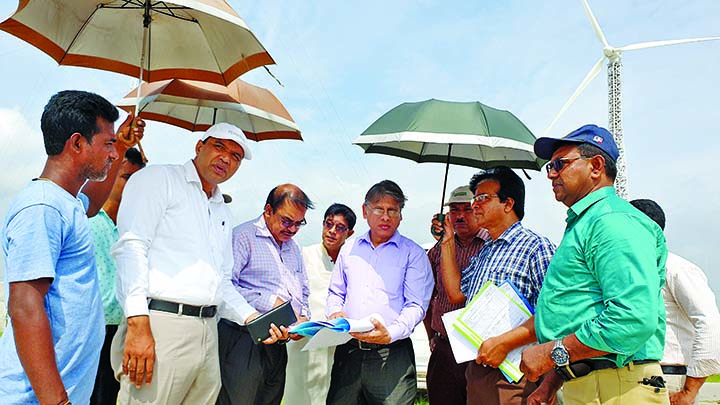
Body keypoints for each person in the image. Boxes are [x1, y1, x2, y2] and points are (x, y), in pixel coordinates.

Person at [0, 90, 139, 404]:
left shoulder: (69, 202)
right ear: (77, 143)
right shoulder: (42, 207)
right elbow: (24, 306)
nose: (114, 154)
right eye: (107, 144)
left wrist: (125, 142)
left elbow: (93, 204)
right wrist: (57, 401)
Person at [520, 124, 669, 405]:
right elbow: (584, 313)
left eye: (559, 164)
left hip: (618, 387)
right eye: (550, 167)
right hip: (597, 382)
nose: (551, 173)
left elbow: (632, 318)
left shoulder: (611, 222)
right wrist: (553, 381)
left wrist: (551, 353)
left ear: (596, 166)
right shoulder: (588, 222)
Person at [111, 122, 258, 404]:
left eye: (236, 156)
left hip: (207, 329)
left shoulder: (221, 208)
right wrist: (138, 324)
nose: (226, 158)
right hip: (161, 324)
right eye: (219, 147)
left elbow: (221, 279)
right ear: (199, 146)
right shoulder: (158, 179)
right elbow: (131, 247)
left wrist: (253, 318)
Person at [438, 167, 555, 405]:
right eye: (475, 199)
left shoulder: (536, 247)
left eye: (483, 198)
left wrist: (505, 343)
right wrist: (448, 241)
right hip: (480, 367)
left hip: (517, 372)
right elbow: (456, 292)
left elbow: (553, 314)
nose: (474, 205)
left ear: (508, 203)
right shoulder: (486, 251)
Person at [326, 180, 434, 405]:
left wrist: (391, 333)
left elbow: (416, 305)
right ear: (365, 211)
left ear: (400, 216)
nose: (386, 217)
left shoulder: (413, 254)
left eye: (392, 210)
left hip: (391, 355)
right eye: (379, 209)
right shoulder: (350, 248)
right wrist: (335, 312)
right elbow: (336, 291)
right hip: (349, 351)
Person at [217, 184, 314, 405]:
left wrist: (303, 319)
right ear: (268, 210)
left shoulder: (294, 247)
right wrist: (271, 302)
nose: (292, 229)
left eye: (299, 223)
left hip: (279, 344)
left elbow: (303, 289)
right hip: (243, 340)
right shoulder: (243, 236)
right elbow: (224, 286)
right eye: (287, 221)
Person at [630, 198, 720, 405]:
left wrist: (689, 391)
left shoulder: (676, 269)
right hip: (632, 379)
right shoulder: (633, 273)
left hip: (668, 378)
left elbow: (709, 323)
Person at [284, 203, 357, 405]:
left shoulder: (352, 263)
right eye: (328, 224)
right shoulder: (303, 255)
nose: (332, 231)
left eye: (340, 227)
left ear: (349, 233)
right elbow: (288, 293)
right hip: (304, 341)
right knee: (299, 397)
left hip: (338, 344)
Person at [89, 147, 146, 405]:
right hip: (92, 329)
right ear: (108, 175)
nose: (132, 186)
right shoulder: (86, 219)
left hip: (126, 329)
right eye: (125, 177)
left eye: (138, 180)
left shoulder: (136, 227)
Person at [424, 185, 489, 405]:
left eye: (467, 209)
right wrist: (432, 336)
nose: (460, 216)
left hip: (480, 352)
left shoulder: (491, 246)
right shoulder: (437, 251)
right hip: (444, 350)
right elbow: (427, 299)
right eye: (454, 210)